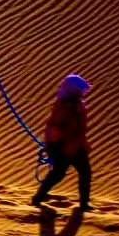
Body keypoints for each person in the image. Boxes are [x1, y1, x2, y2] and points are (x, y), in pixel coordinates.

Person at [32, 73, 92, 211]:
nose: (84, 91)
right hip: (63, 146)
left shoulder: (77, 104)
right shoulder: (64, 106)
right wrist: (55, 146)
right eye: (81, 89)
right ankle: (38, 198)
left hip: (76, 145)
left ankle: (84, 203)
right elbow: (56, 128)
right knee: (58, 174)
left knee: (84, 173)